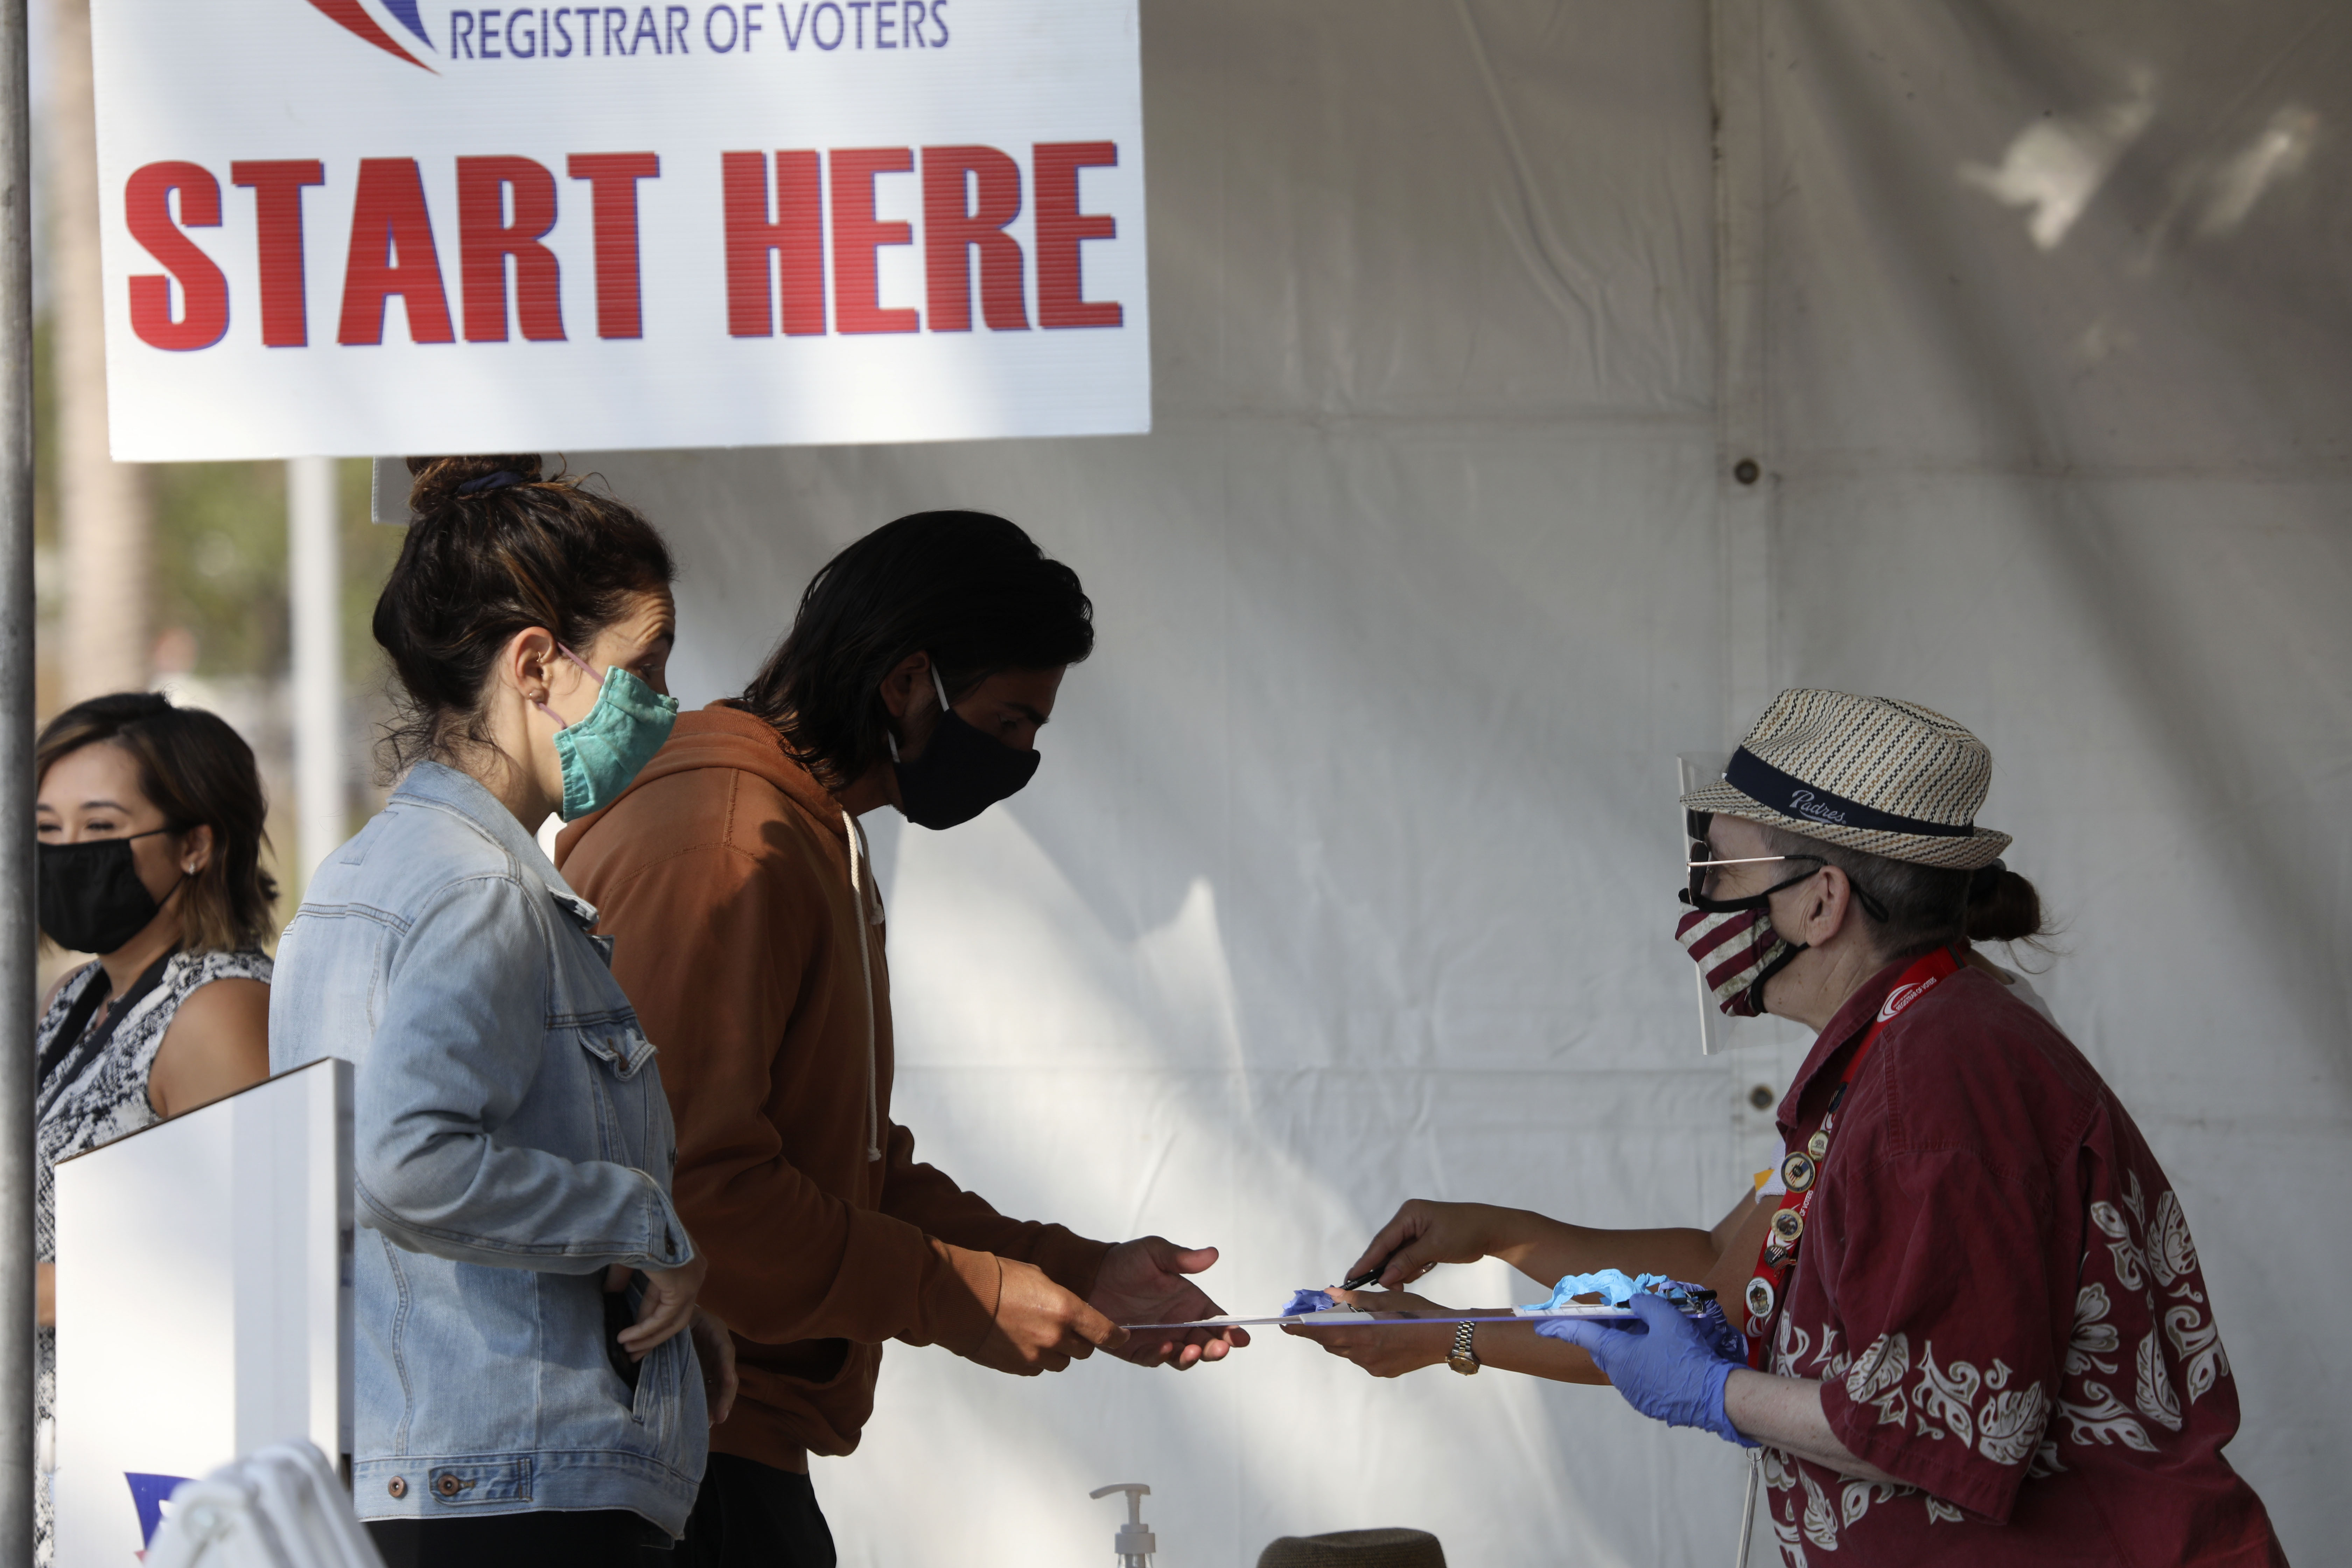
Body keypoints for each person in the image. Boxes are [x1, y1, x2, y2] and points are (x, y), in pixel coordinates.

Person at [1300, 690, 2282, 1566]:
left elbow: (1927, 1423)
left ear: (1821, 900)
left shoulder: (1941, 1073)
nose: (1703, 906)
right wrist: (1486, 1259)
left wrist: (1697, 1389)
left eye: (1724, 872)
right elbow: (1733, 1283)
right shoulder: (1905, 1045)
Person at [558, 512, 1244, 1567]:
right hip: (672, 1465)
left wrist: (1074, 1270)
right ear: (907, 682)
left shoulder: (804, 829)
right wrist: (964, 1297)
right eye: (1011, 720)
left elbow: (844, 1166)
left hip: (723, 1453)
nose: (1022, 757)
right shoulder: (733, 841)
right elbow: (693, 1193)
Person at [270, 454, 737, 1567]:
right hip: (510, 1491)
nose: (664, 704)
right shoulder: (482, 890)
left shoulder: (362, 874)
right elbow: (410, 1164)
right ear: (537, 663)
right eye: (646, 664)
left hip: (410, 1468)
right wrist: (646, 1226)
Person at [31, 693, 276, 1567]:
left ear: (197, 844)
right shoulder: (78, 999)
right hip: (65, 1467)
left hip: (150, 1493)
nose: (64, 854)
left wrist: (34, 1290)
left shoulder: (219, 1009)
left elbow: (252, 1253)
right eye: (45, 827)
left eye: (101, 825)